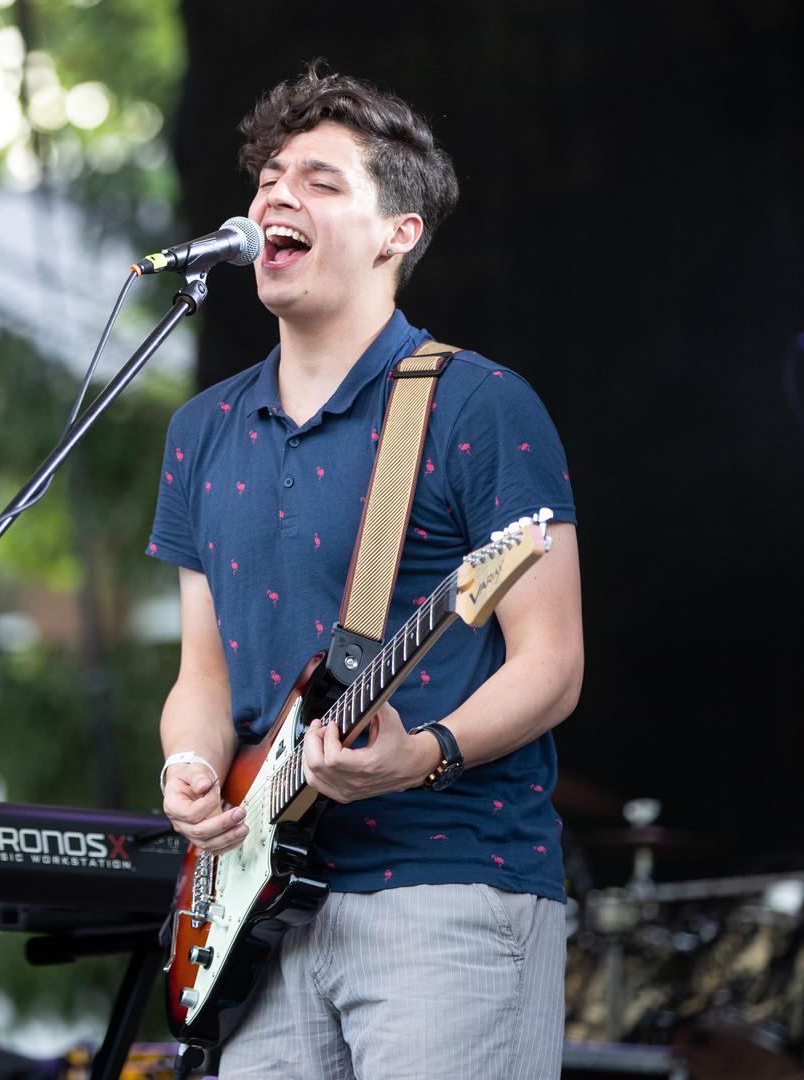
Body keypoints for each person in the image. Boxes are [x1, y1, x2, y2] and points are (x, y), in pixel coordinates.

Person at [150, 66, 584, 1079]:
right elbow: (201, 673)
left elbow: (552, 662)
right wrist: (188, 767)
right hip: (255, 912)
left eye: (319, 180)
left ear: (397, 233)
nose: (275, 197)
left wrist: (421, 751)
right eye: (266, 178)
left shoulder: (475, 402)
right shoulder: (200, 429)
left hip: (445, 887)